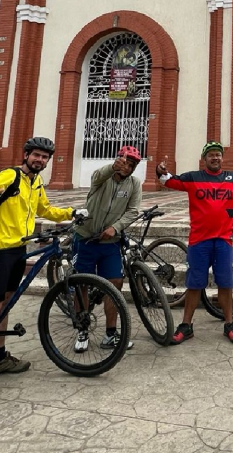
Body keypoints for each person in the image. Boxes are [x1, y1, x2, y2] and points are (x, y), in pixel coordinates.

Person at [0, 136, 88, 411]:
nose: (41, 160)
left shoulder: (36, 182)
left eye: (45, 157)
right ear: (26, 154)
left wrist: (72, 212)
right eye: (37, 156)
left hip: (18, 249)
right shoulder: (10, 175)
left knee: (7, 303)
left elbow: (44, 209)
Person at [156, 141, 233, 345]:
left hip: (223, 241)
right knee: (194, 285)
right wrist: (160, 172)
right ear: (204, 159)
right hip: (199, 241)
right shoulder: (193, 177)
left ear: (222, 158)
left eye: (218, 155)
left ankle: (229, 324)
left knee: (226, 283)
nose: (215, 158)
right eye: (210, 155)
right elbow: (169, 181)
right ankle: (186, 325)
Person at [72, 145, 143, 353]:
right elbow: (98, 175)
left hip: (110, 243)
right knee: (81, 285)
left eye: (132, 165)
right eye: (124, 162)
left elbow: (133, 211)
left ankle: (111, 334)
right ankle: (82, 331)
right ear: (118, 159)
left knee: (115, 285)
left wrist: (116, 227)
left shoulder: (134, 184)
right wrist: (112, 166)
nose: (127, 167)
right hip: (86, 238)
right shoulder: (102, 177)